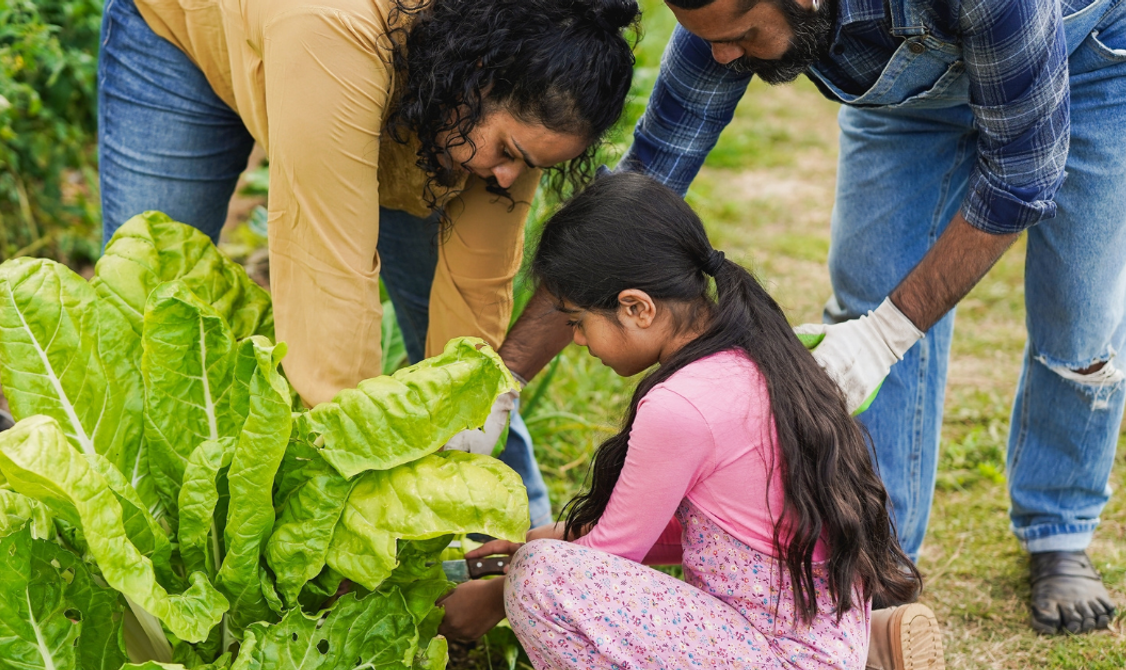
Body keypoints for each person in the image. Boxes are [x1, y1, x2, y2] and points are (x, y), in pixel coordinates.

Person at [613, 0, 1126, 635]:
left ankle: (1058, 528)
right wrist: (504, 378)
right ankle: (879, 555)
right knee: (869, 299)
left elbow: (1020, 178)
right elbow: (648, 181)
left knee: (1078, 320)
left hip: (1088, 57)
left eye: (741, 36)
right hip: (910, 103)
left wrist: (888, 334)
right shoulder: (722, 16)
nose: (723, 55)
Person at [97, 0, 639, 527]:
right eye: (511, 153)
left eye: (532, 166)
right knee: (145, 303)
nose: (508, 177)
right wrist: (346, 491)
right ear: (477, 78)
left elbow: (477, 285)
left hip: (410, 98)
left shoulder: (516, 78)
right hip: (188, 42)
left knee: (465, 384)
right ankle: (129, 530)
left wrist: (468, 417)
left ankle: (512, 556)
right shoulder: (334, 26)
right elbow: (327, 273)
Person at [439, 172, 945, 670]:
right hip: (811, 638)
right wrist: (547, 534)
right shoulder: (751, 357)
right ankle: (872, 648)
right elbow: (687, 531)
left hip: (779, 652)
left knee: (540, 579)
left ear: (636, 308)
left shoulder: (680, 406)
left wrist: (498, 594)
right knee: (541, 556)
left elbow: (613, 554)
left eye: (577, 322)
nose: (577, 341)